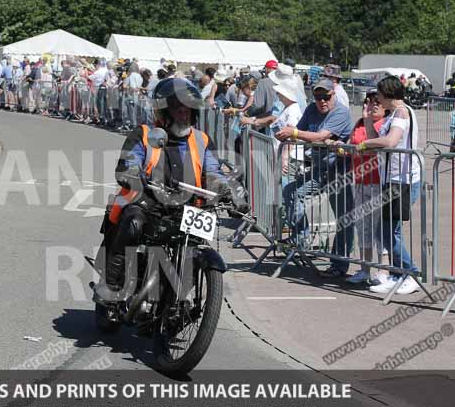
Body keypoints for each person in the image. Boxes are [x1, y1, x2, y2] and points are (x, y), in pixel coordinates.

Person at [96, 78, 248, 305]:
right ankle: (112, 284)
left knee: (196, 240)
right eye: (178, 109)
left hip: (188, 206)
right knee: (133, 221)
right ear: (164, 111)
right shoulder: (144, 134)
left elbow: (213, 171)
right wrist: (132, 174)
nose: (184, 114)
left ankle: (178, 291)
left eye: (188, 109)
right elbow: (131, 160)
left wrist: (229, 191)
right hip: (147, 201)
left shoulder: (201, 139)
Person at [276, 78, 355, 278]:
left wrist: (293, 132)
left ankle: (340, 264)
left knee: (344, 219)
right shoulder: (311, 109)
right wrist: (287, 136)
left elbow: (320, 136)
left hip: (340, 171)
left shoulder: (341, 112)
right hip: (320, 169)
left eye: (326, 96)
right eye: (318, 97)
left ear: (334, 94)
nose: (322, 101)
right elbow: (299, 131)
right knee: (292, 192)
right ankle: (301, 242)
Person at [358, 76, 421, 295]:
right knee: (386, 230)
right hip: (391, 178)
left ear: (387, 94)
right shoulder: (393, 115)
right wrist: (367, 121)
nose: (377, 100)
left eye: (379, 95)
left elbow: (390, 142)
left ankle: (411, 273)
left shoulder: (402, 113)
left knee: (388, 231)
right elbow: (379, 139)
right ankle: (398, 273)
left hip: (402, 179)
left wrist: (364, 144)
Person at [336, 91, 389, 286]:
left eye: (376, 102)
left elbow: (376, 146)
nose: (370, 106)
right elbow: (352, 145)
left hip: (377, 180)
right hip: (359, 179)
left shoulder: (383, 126)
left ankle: (383, 270)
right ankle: (365, 268)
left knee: (379, 228)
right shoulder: (359, 123)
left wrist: (368, 122)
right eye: (368, 102)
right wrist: (340, 147)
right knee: (362, 225)